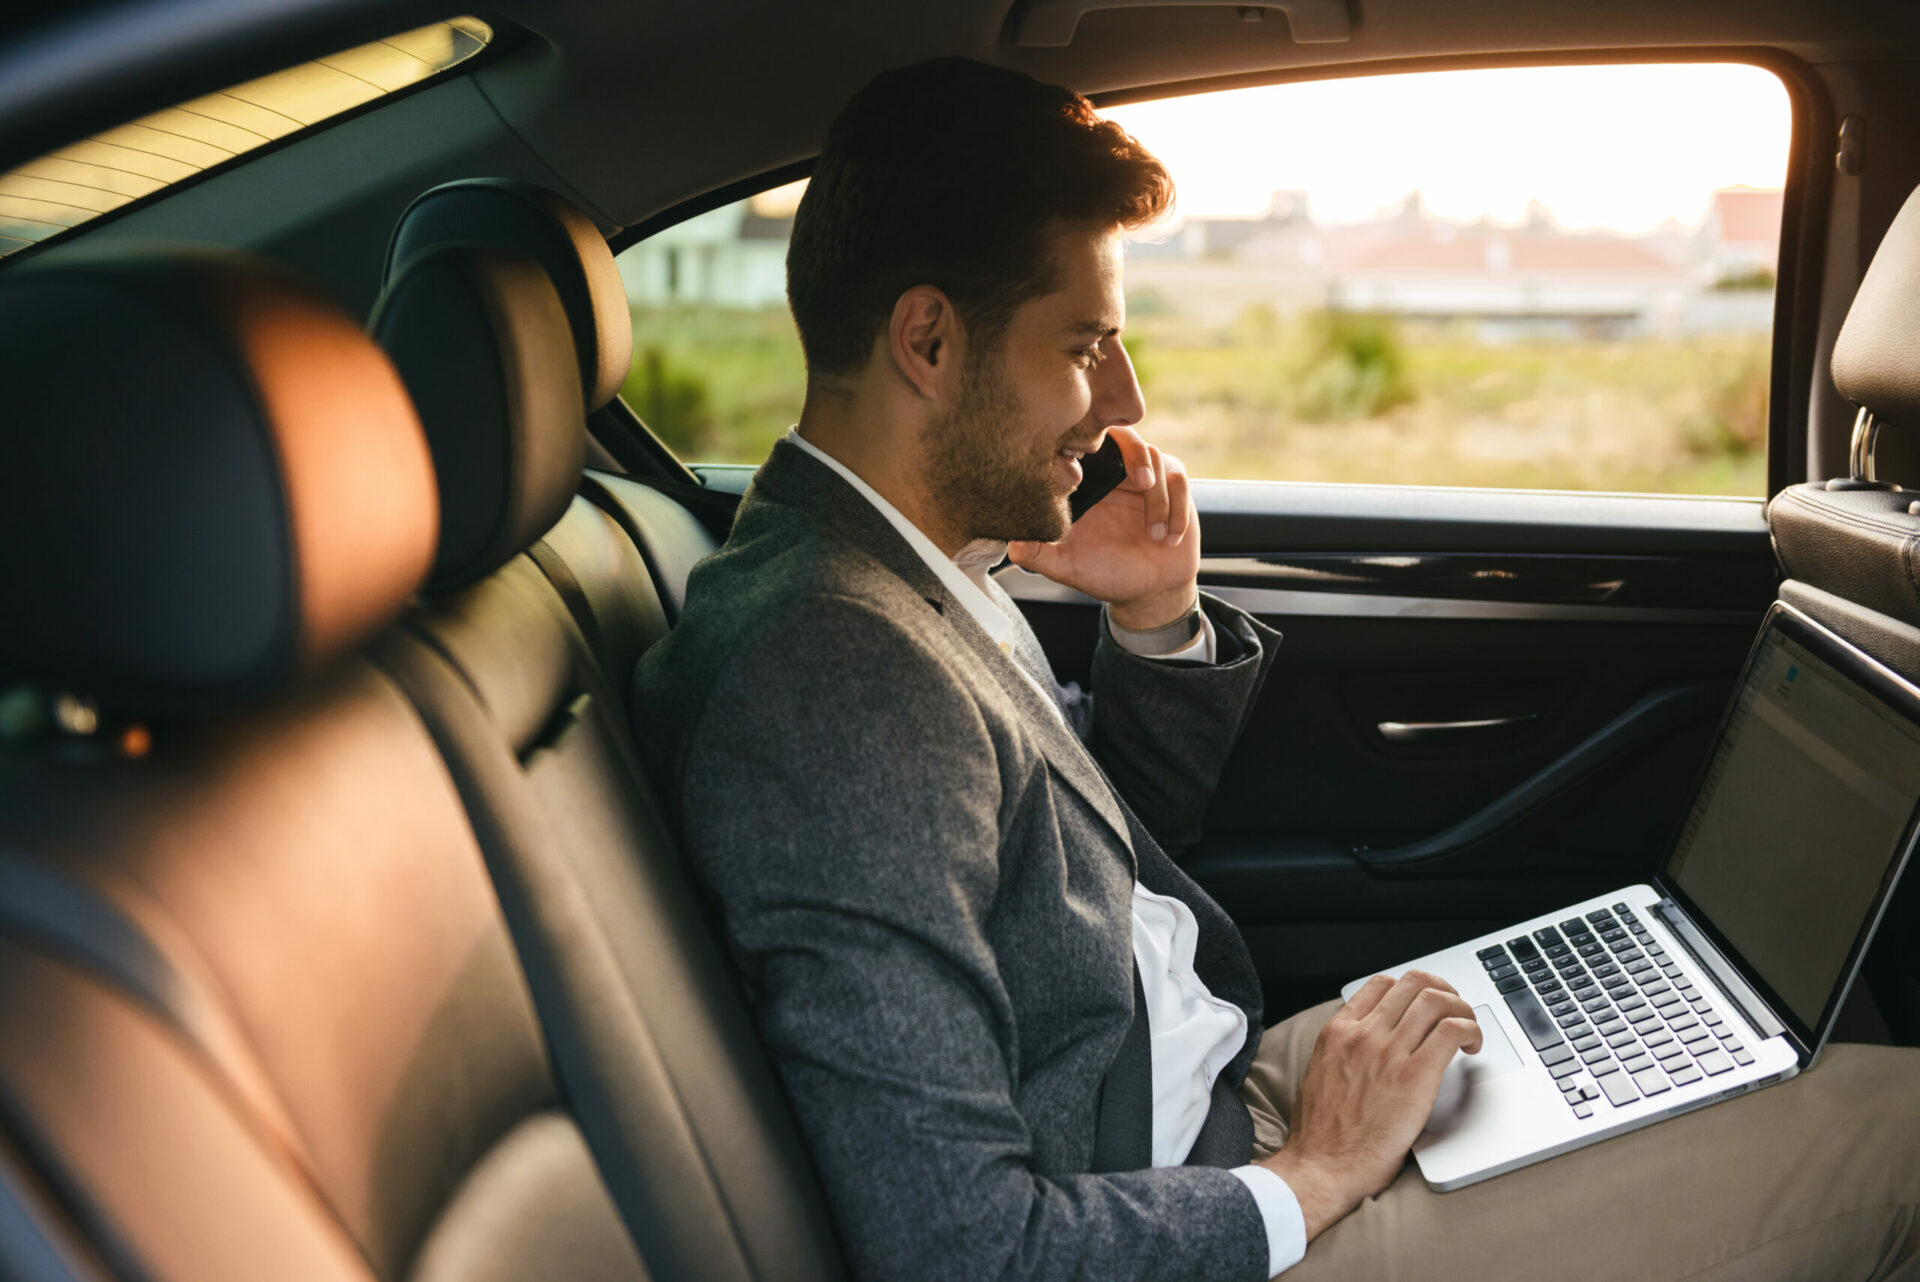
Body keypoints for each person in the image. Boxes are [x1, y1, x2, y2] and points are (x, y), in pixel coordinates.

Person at [631, 56, 1920, 1281]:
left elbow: (1081, 876)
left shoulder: (898, 567)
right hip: (1188, 1206)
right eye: (1084, 347)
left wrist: (1157, 620)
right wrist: (1316, 1175)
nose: (1120, 401)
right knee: (1899, 1133)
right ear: (928, 342)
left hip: (1206, 1106)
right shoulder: (831, 683)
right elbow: (961, 1249)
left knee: (1748, 1046)